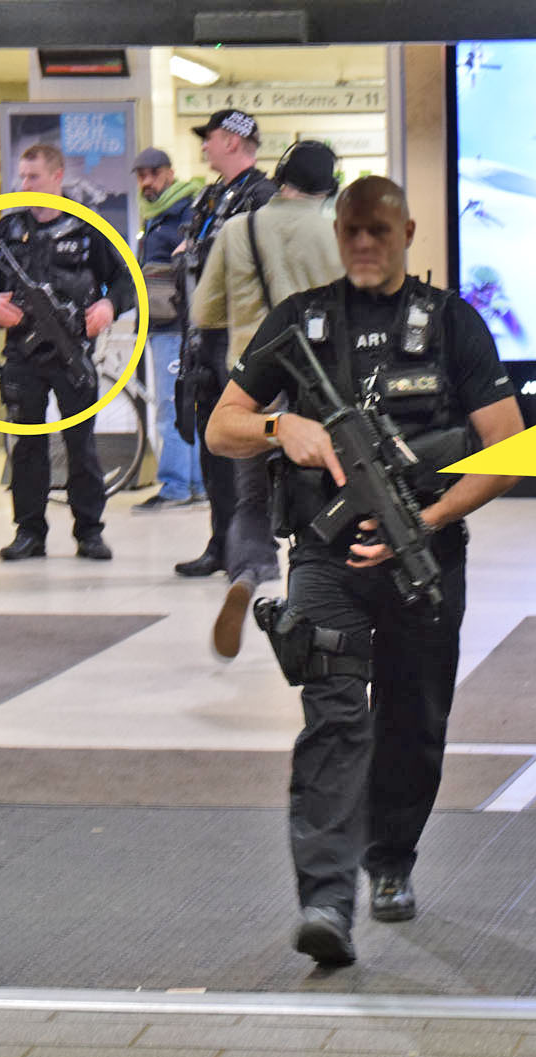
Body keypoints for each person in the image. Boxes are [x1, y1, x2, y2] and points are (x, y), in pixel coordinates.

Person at [205, 176, 526, 966]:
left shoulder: (451, 323)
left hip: (423, 556)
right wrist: (282, 428)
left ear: (406, 232)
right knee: (334, 721)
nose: (362, 243)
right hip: (325, 561)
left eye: (378, 230)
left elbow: (508, 447)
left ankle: (390, 862)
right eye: (350, 229)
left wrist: (428, 521)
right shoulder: (299, 320)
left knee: (412, 721)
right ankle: (324, 900)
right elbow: (221, 427)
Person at [190, 140, 345, 659]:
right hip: (320, 388)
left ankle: (247, 573)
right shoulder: (333, 232)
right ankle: (315, 602)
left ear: (280, 178)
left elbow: (204, 312)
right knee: (328, 492)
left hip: (254, 386)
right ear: (328, 187)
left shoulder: (239, 229)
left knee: (251, 499)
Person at [0, 142, 133, 563]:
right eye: (22, 176)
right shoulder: (9, 229)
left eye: (33, 176)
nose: (25, 184)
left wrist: (108, 306)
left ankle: (89, 532)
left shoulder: (87, 227)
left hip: (72, 352)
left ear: (57, 177)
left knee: (81, 446)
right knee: (27, 447)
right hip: (22, 355)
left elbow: (125, 280)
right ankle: (29, 532)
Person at [171, 110, 280, 579]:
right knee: (212, 443)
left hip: (241, 338)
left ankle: (248, 546)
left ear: (233, 141)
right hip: (203, 336)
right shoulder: (210, 197)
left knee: (244, 448)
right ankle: (220, 543)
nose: (204, 146)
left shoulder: (264, 197)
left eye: (209, 138)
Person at [129, 146, 206, 512]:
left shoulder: (185, 212)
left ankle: (176, 485)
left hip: (175, 324)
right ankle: (196, 483)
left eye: (153, 174)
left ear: (169, 174)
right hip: (163, 323)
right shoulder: (157, 216)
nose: (147, 182)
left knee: (171, 406)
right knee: (182, 404)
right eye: (141, 175)